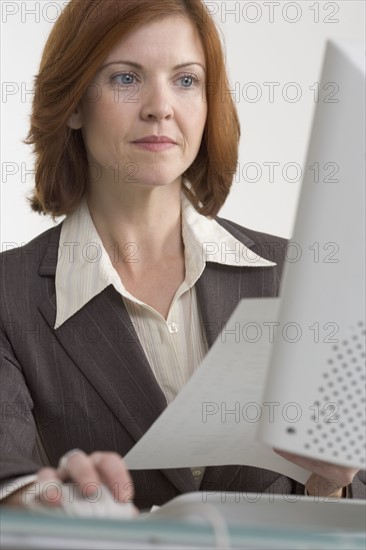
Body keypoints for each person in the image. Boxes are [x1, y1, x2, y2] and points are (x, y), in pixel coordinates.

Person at [0, 0, 364, 513]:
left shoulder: (299, 276)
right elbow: (6, 474)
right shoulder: (10, 295)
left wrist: (333, 481)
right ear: (75, 103)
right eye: (126, 78)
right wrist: (41, 497)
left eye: (186, 80)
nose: (160, 106)